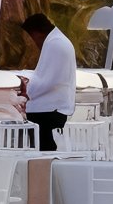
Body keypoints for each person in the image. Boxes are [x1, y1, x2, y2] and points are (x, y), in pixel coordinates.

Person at [20, 11, 76, 150]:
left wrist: (26, 92)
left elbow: (47, 81)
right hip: (52, 109)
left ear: (36, 33)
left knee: (43, 154)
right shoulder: (58, 40)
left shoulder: (55, 44)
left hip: (48, 112)